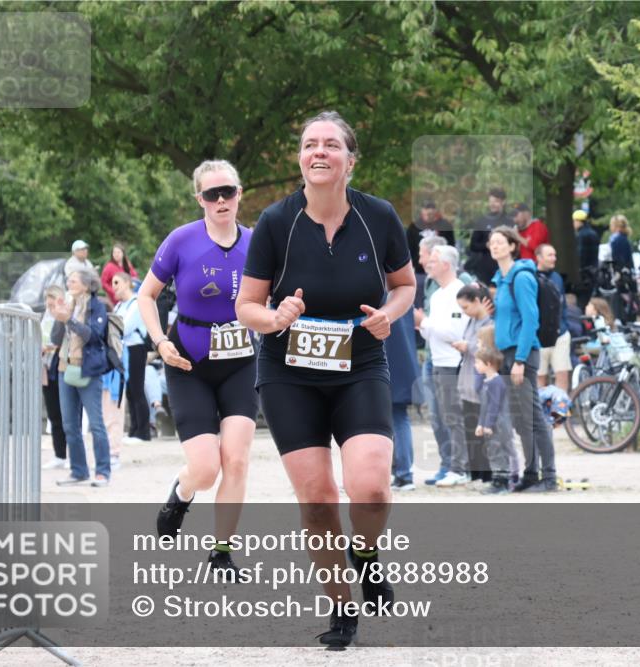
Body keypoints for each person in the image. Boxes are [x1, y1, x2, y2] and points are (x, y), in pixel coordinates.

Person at [236, 111, 415, 648]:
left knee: (371, 488)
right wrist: (275, 319)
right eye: (310, 144)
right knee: (316, 499)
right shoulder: (275, 221)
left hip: (359, 365)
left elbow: (404, 285)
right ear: (300, 158)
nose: (319, 152)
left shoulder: (378, 217)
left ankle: (365, 552)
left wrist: (390, 313)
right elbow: (247, 305)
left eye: (331, 145)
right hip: (289, 373)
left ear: (349, 160)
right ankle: (341, 609)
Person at [137, 159, 257, 574]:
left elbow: (275, 297)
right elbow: (146, 296)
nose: (221, 200)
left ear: (240, 193)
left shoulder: (258, 243)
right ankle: (181, 493)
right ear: (200, 199)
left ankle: (221, 552)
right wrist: (161, 341)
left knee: (238, 460)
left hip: (241, 359)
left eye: (228, 191)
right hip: (188, 359)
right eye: (212, 194)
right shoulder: (181, 241)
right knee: (206, 468)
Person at [489, 225, 557, 493]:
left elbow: (531, 320)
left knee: (533, 416)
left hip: (523, 354)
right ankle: (530, 474)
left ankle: (548, 476)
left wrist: (519, 359)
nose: (494, 246)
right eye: (491, 242)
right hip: (508, 354)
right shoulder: (502, 279)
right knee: (520, 418)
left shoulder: (522, 277)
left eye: (500, 242)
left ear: (512, 246)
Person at [48, 269, 111, 487]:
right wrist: (59, 318)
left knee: (96, 424)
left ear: (86, 285)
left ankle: (102, 471)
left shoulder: (96, 306)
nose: (69, 283)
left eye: (73, 280)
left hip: (88, 370)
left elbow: (94, 336)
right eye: (68, 280)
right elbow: (55, 339)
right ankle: (78, 470)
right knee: (69, 425)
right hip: (65, 369)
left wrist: (71, 320)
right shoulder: (67, 304)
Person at [414, 245, 469, 487]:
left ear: (446, 264)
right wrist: (426, 326)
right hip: (436, 359)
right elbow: (432, 333)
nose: (428, 264)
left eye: (434, 260)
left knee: (453, 415)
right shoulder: (436, 296)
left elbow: (454, 332)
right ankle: (449, 464)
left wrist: (425, 322)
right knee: (440, 416)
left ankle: (460, 467)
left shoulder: (459, 293)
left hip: (452, 362)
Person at [453, 283, 494, 482]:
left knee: (481, 430)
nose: (464, 312)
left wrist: (466, 346)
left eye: (466, 307)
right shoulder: (472, 321)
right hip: (467, 383)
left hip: (479, 385)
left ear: (477, 301)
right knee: (470, 429)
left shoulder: (487, 323)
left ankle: (487, 473)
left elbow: (486, 349)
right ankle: (475, 472)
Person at [111, 272, 151, 444]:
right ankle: (134, 430)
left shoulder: (136, 303)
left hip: (135, 349)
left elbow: (124, 328)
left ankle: (143, 432)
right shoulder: (119, 306)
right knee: (128, 390)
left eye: (117, 282)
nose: (114, 287)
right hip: (123, 349)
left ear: (127, 283)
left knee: (137, 388)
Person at [385, 308, 419, 491]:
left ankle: (404, 474)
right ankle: (401, 473)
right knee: (398, 419)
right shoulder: (402, 295)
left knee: (398, 420)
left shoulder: (383, 293)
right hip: (403, 364)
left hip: (389, 364)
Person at [473, 347, 515, 494]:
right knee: (492, 451)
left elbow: (494, 405)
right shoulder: (486, 381)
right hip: (490, 425)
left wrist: (489, 424)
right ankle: (496, 478)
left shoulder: (496, 383)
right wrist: (480, 423)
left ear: (489, 364)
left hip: (499, 425)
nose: (475, 365)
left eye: (478, 362)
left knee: (499, 451)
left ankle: (502, 481)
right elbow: (484, 407)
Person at [534, 243, 571, 391]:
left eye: (555, 255)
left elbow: (563, 305)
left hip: (559, 333)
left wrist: (564, 325)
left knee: (562, 374)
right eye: (550, 255)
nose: (554, 258)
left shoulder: (557, 277)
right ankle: (541, 412)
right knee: (540, 377)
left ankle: (559, 413)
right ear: (539, 258)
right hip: (538, 336)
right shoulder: (531, 278)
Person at [41, 285, 68, 470]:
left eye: (53, 304)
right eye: (48, 305)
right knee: (53, 414)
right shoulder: (44, 318)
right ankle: (59, 454)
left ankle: (70, 456)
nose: (50, 308)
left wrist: (49, 347)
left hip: (61, 366)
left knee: (67, 415)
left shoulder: (65, 316)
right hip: (46, 367)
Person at [466, 186, 513, 284]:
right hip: (484, 269)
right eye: (490, 201)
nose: (492, 204)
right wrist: (486, 245)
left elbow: (514, 244)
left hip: (504, 266)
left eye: (496, 201)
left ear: (503, 202)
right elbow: (473, 246)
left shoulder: (510, 221)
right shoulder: (482, 220)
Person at [407, 200, 455, 274]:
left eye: (431, 213)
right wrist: (415, 264)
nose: (428, 215)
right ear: (422, 211)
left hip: (441, 268)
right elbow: (409, 248)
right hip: (420, 269)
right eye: (426, 212)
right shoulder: (414, 226)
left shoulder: (445, 226)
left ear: (435, 212)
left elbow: (451, 246)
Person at [574, 209, 600, 308]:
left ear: (578, 221)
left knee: (581, 303)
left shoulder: (581, 235)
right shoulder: (593, 233)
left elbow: (581, 256)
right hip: (593, 272)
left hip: (584, 275)